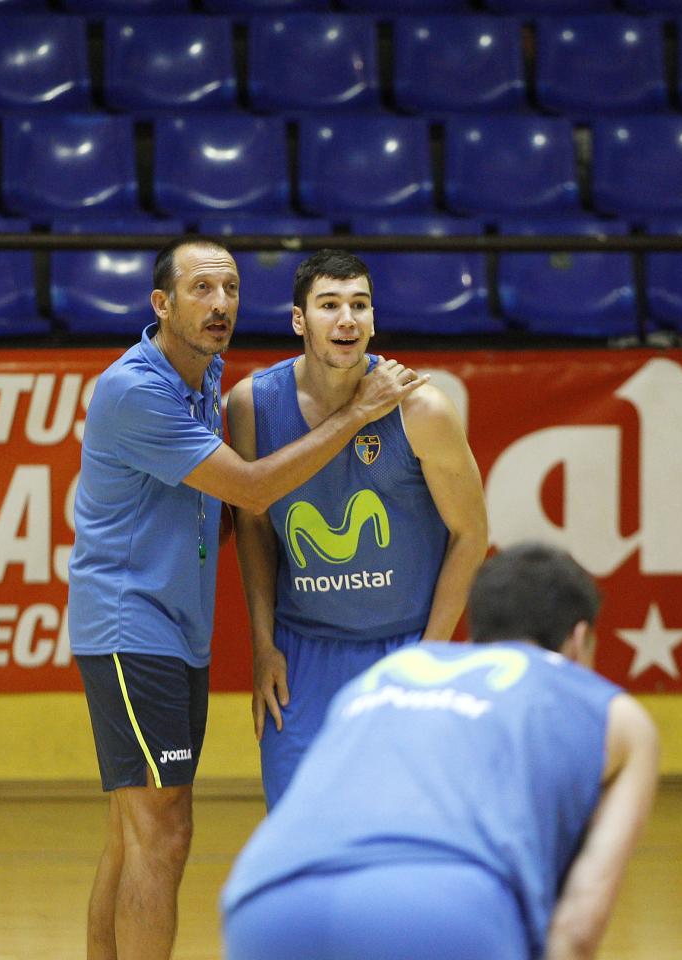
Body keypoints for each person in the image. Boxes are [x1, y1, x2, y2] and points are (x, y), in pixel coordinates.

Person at [67, 235, 428, 960]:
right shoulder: (139, 388)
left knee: (133, 829)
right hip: (132, 630)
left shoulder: (202, 377)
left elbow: (221, 518)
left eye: (230, 289)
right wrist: (358, 414)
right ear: (161, 304)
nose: (221, 304)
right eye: (202, 290)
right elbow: (255, 489)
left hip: (173, 630)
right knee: (164, 831)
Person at [221, 543, 660, 960]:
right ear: (579, 640)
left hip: (265, 896)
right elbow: (577, 931)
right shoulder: (608, 708)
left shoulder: (391, 674)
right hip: (446, 905)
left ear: (478, 630)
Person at [226, 249, 489, 808]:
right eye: (329, 305)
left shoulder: (424, 410)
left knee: (397, 837)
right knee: (298, 835)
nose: (347, 319)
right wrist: (264, 646)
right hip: (302, 655)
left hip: (403, 648)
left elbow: (471, 536)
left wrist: (429, 656)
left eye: (360, 305)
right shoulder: (251, 405)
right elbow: (254, 531)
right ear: (299, 320)